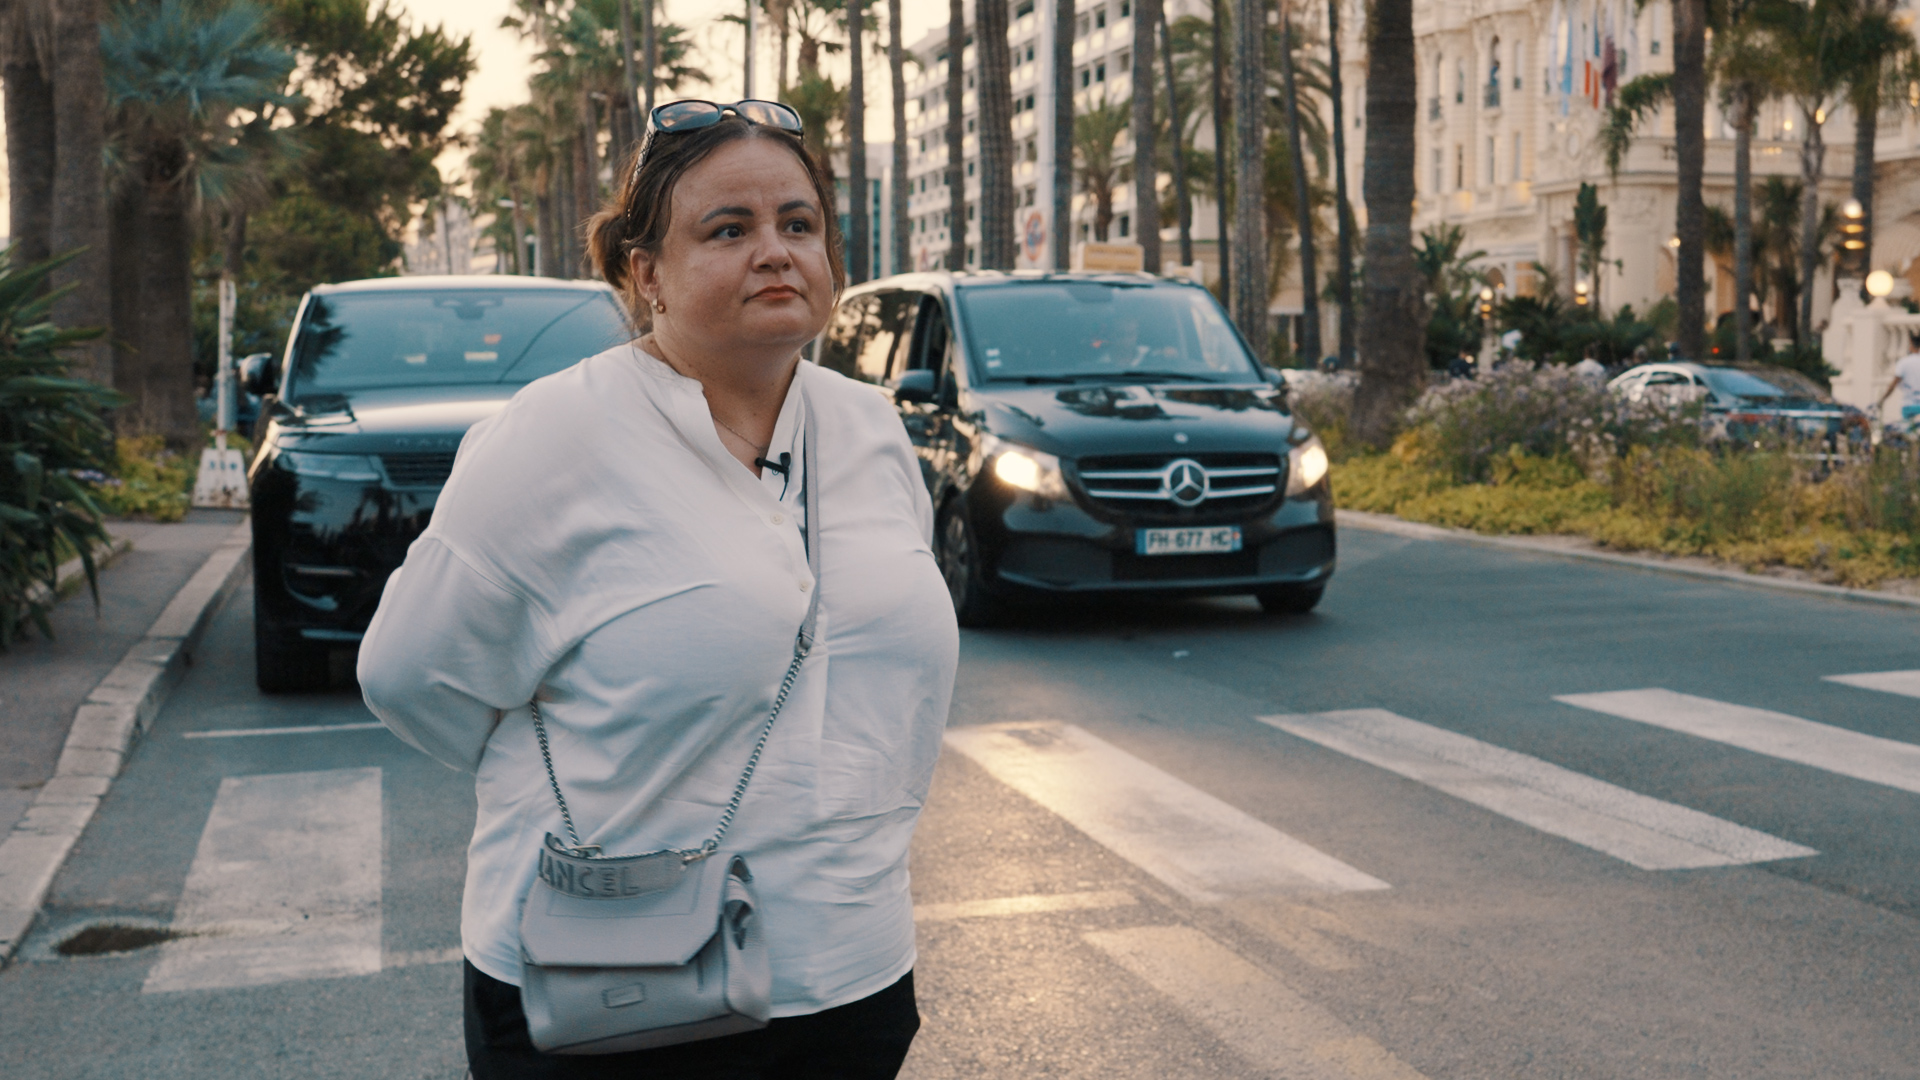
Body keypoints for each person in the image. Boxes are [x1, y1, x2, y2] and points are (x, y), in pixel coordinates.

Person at [357, 99, 960, 1079]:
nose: (775, 252)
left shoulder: (870, 429)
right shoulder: (554, 437)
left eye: (798, 225)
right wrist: (587, 787)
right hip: (607, 978)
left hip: (848, 979)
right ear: (647, 274)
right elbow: (409, 676)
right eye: (729, 230)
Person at [1875, 332, 1920, 428]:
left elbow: (1893, 385)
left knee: (1908, 434)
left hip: (1909, 406)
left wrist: (1882, 399)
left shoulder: (1903, 363)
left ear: (1911, 344)